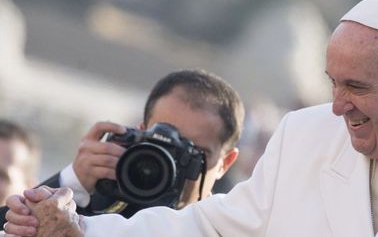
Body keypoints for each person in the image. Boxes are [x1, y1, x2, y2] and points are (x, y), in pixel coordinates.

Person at [5, 0, 378, 236]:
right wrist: (79, 228)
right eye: (332, 83)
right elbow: (205, 226)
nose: (337, 106)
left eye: (357, 87)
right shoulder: (305, 133)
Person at [3, 69, 244, 235]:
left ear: (225, 162)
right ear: (141, 132)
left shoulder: (228, 229)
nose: (170, 161)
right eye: (163, 142)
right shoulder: (92, 202)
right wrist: (72, 182)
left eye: (193, 151)